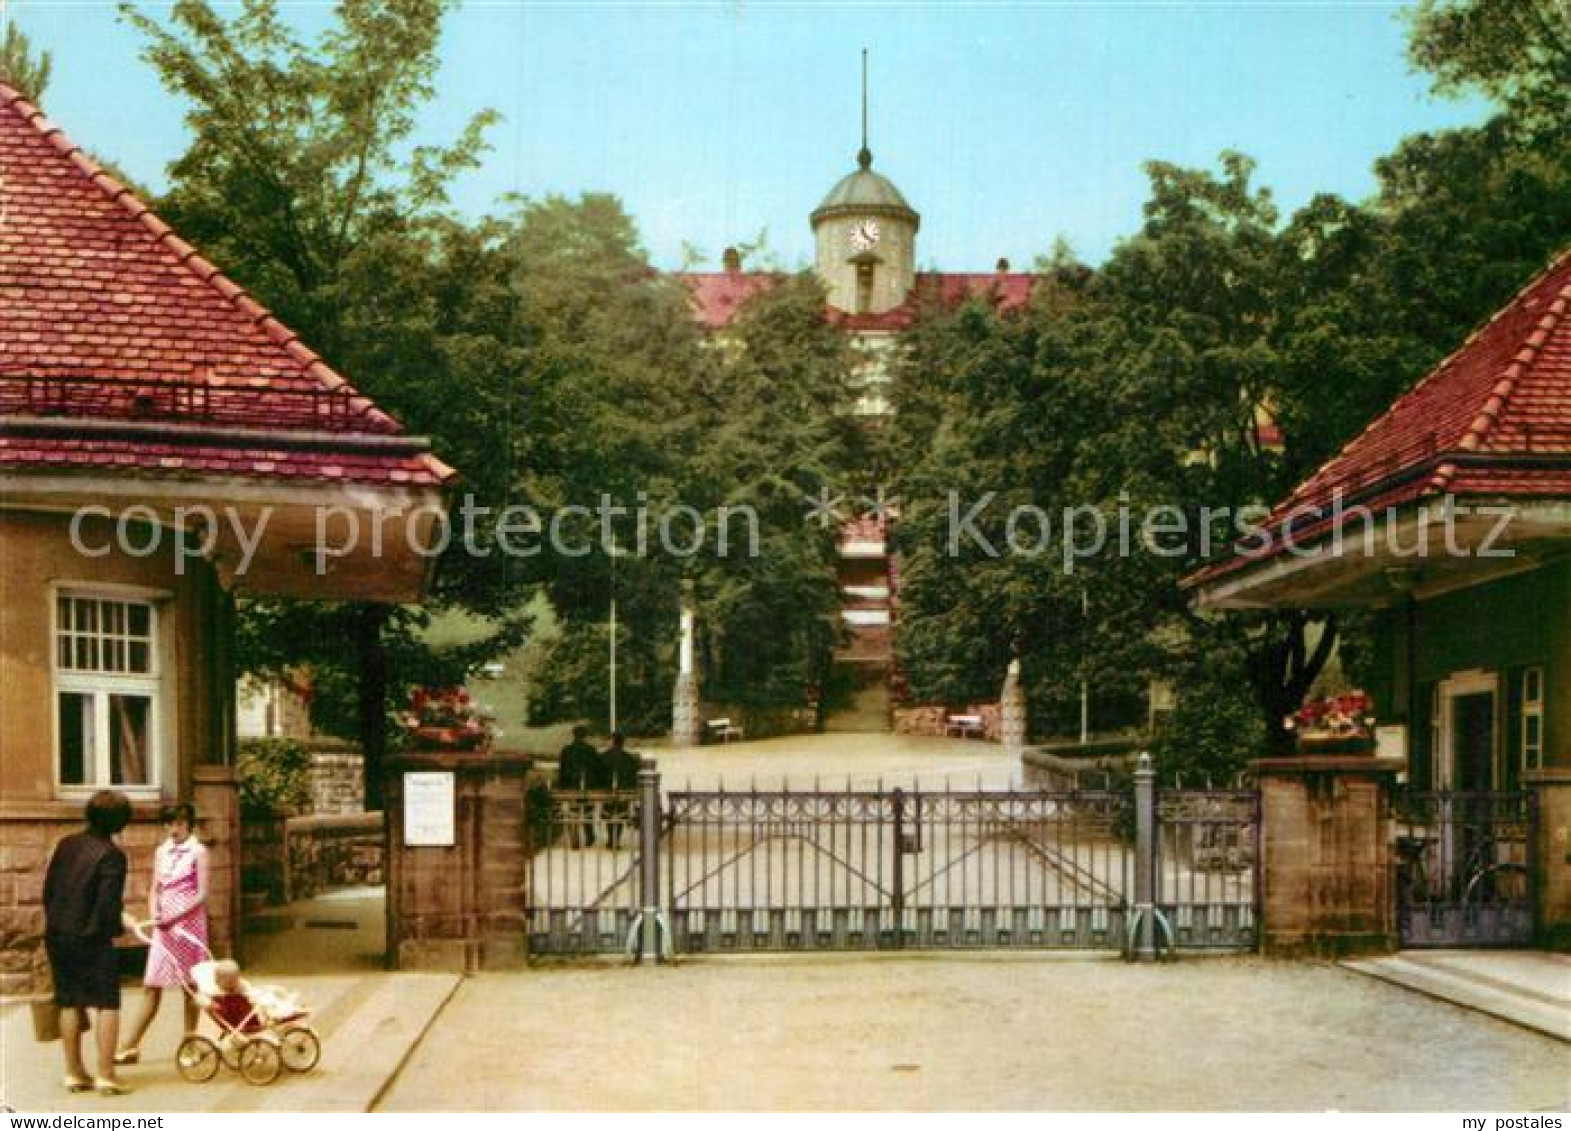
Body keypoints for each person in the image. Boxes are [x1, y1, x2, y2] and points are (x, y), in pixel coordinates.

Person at [43, 789, 133, 1096]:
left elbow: (49, 891)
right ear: (120, 822)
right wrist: (118, 926)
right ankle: (106, 1074)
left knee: (69, 1000)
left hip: (57, 932)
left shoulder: (65, 845)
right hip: (92, 937)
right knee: (107, 1001)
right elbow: (107, 906)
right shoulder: (112, 855)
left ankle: (74, 1072)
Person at [116, 803, 208, 1064]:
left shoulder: (198, 851)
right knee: (151, 984)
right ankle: (129, 1045)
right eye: (169, 824)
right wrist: (155, 912)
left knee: (190, 987)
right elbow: (154, 887)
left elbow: (201, 893)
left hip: (188, 925)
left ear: (189, 825)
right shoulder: (162, 851)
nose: (174, 829)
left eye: (179, 823)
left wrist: (176, 916)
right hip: (163, 927)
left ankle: (191, 1044)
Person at [556, 726, 600, 847]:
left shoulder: (566, 750)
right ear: (585, 736)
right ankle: (589, 834)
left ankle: (574, 838)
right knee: (587, 810)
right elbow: (596, 768)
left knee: (573, 811)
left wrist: (561, 787)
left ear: (573, 735)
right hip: (587, 786)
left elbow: (562, 770)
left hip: (570, 785)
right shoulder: (590, 750)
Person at [601, 732, 641, 850]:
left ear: (612, 742)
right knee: (619, 812)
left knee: (609, 812)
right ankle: (616, 840)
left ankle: (611, 839)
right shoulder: (629, 758)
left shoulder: (603, 756)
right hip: (625, 792)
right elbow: (635, 776)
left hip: (607, 791)